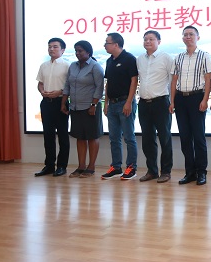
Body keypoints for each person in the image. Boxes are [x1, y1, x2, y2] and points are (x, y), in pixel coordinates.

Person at [170, 26, 211, 186]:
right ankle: (190, 172)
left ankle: (202, 172)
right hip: (181, 99)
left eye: (191, 34)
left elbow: (208, 79)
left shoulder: (204, 55)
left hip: (197, 98)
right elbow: (174, 80)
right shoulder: (178, 57)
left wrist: (205, 99)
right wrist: (172, 101)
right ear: (182, 38)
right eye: (185, 35)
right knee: (185, 137)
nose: (188, 37)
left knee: (199, 137)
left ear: (197, 37)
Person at [61, 40, 104, 178]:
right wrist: (63, 102)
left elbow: (99, 87)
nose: (77, 53)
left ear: (88, 52)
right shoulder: (73, 66)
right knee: (80, 137)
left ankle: (91, 167)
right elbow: (67, 85)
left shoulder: (95, 66)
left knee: (92, 137)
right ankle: (81, 166)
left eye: (80, 51)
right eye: (76, 51)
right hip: (75, 107)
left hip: (90, 107)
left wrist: (93, 105)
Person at [136, 30, 175, 183]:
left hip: (161, 102)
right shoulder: (140, 59)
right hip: (144, 103)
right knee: (147, 139)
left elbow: (173, 80)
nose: (148, 42)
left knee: (165, 138)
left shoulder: (166, 58)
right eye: (145, 39)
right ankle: (152, 171)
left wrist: (172, 101)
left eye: (151, 39)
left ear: (159, 41)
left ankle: (166, 171)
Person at [101, 32, 139, 180]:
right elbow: (108, 83)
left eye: (107, 42)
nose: (105, 45)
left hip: (125, 102)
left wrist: (129, 102)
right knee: (114, 138)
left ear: (116, 44)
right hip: (112, 104)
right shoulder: (109, 61)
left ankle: (131, 167)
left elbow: (134, 81)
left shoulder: (129, 59)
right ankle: (116, 167)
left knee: (129, 137)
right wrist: (106, 103)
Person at [35, 37, 70, 177]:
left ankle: (62, 166)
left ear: (63, 50)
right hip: (46, 103)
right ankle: (49, 165)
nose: (51, 49)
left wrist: (59, 92)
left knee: (62, 135)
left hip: (61, 102)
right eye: (49, 46)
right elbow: (40, 83)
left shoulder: (67, 66)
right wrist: (42, 91)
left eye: (55, 46)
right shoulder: (44, 65)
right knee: (48, 135)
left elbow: (70, 86)